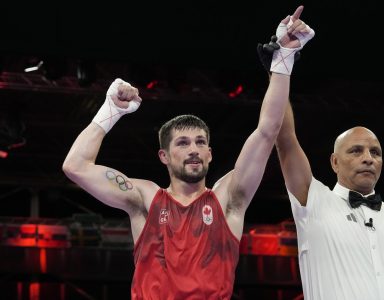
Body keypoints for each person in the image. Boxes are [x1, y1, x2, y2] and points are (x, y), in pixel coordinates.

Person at [62, 5, 314, 299]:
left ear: (210, 153)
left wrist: (283, 60)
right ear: (164, 156)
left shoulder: (229, 197)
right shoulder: (144, 199)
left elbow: (268, 130)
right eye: (182, 143)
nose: (193, 150)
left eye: (200, 143)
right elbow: (75, 166)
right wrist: (111, 112)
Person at [274, 99, 384, 299]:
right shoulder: (315, 202)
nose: (368, 158)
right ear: (335, 162)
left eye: (375, 152)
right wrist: (279, 71)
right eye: (356, 151)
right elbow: (285, 140)